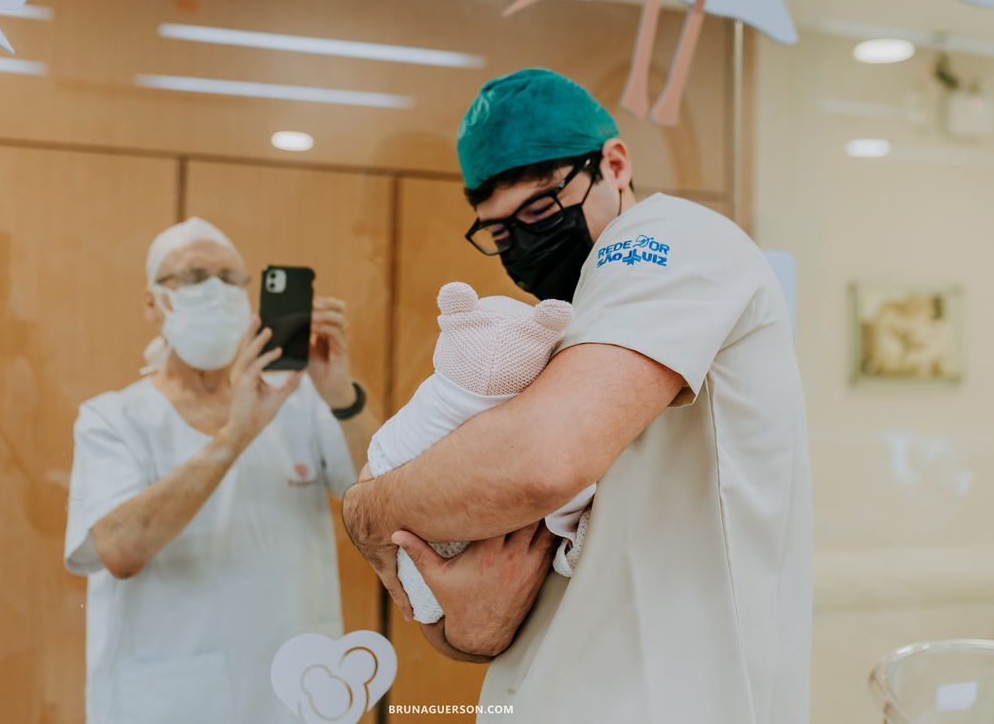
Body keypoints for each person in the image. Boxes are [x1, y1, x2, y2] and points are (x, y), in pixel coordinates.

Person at [342, 68, 812, 723]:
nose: (522, 243)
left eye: (538, 212)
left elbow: (542, 460)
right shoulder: (558, 324)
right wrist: (461, 626)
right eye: (499, 233)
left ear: (614, 164)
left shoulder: (671, 237)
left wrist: (365, 510)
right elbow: (475, 594)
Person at [64, 217, 379, 724]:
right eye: (193, 277)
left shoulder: (299, 399)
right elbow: (118, 550)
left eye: (231, 278)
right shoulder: (113, 419)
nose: (215, 291)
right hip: (169, 700)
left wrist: (342, 395)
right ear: (152, 303)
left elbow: (381, 489)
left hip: (295, 690)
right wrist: (234, 436)